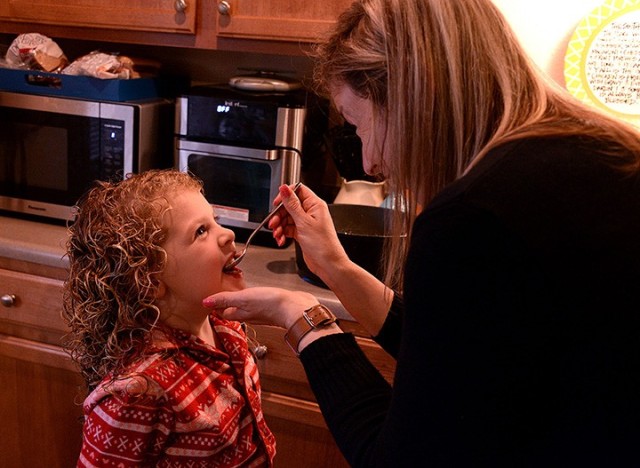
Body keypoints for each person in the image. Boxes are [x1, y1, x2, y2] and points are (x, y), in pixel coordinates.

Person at [202, 0, 640, 466]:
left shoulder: (477, 217)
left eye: (360, 124)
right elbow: (466, 352)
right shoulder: (597, 155)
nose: (370, 163)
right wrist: (335, 265)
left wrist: (302, 317)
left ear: (410, 96)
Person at [62, 169, 275, 467]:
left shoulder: (225, 328)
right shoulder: (137, 394)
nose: (228, 234)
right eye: (201, 231)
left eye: (215, 221)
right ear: (150, 281)